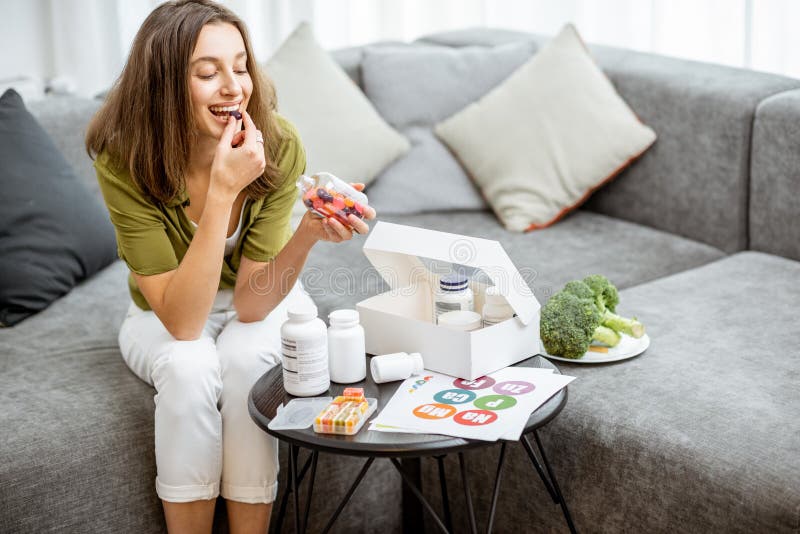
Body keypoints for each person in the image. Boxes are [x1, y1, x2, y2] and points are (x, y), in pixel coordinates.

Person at [85, 1, 376, 532]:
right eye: (206, 72)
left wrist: (308, 232)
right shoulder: (124, 158)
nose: (233, 87)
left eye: (240, 66)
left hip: (261, 300)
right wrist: (223, 190)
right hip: (164, 310)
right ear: (165, 85)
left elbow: (251, 303)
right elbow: (183, 323)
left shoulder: (278, 143)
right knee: (189, 365)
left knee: (246, 366)